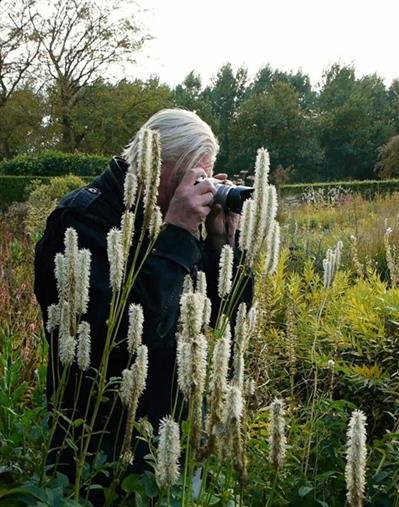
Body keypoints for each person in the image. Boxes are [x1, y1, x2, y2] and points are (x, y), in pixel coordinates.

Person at [33, 109, 249, 498]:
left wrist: (222, 246)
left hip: (169, 439)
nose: (203, 187)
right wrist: (178, 232)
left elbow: (228, 319)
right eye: (195, 175)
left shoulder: (169, 219)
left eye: (208, 176)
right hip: (98, 448)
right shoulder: (82, 221)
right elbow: (113, 341)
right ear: (162, 166)